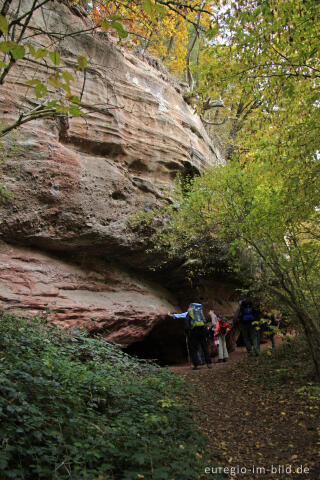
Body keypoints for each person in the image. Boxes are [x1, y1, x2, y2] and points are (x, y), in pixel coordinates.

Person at [173, 303, 212, 370]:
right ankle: (208, 364)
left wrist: (187, 333)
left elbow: (186, 324)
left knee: (193, 348)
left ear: (190, 307)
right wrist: (206, 333)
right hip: (202, 332)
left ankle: (196, 365)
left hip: (194, 332)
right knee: (204, 347)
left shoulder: (189, 313)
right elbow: (204, 323)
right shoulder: (200, 313)